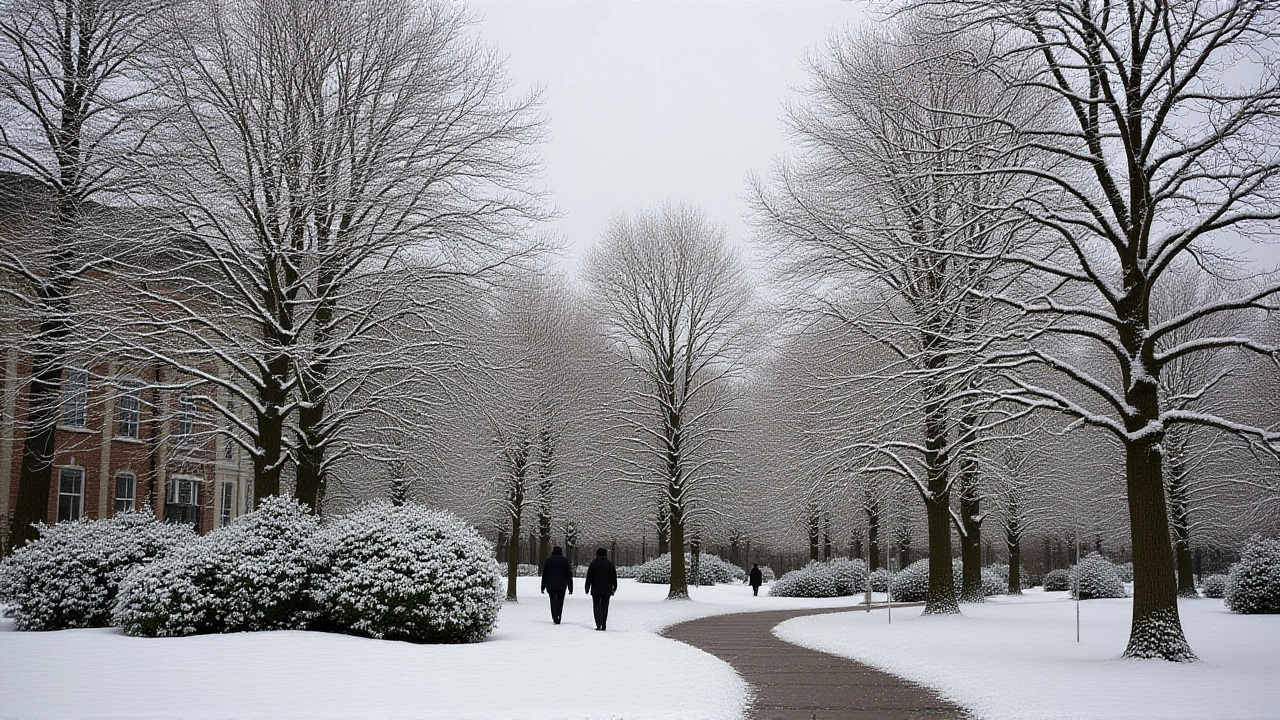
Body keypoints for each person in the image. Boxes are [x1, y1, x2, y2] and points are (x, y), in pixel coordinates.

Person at [583, 547, 617, 631]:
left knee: (596, 605)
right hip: (607, 589)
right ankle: (603, 622)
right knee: (605, 606)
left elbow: (589, 577)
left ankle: (598, 622)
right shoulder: (609, 564)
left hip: (596, 588)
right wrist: (614, 587)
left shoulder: (593, 564)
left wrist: (587, 587)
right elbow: (614, 577)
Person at [540, 546, 573, 624]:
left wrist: (543, 586)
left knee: (552, 600)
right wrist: (570, 587)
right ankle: (558, 615)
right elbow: (569, 574)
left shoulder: (548, 560)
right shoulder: (565, 561)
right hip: (562, 584)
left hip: (551, 584)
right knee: (560, 601)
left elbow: (545, 574)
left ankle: (554, 616)